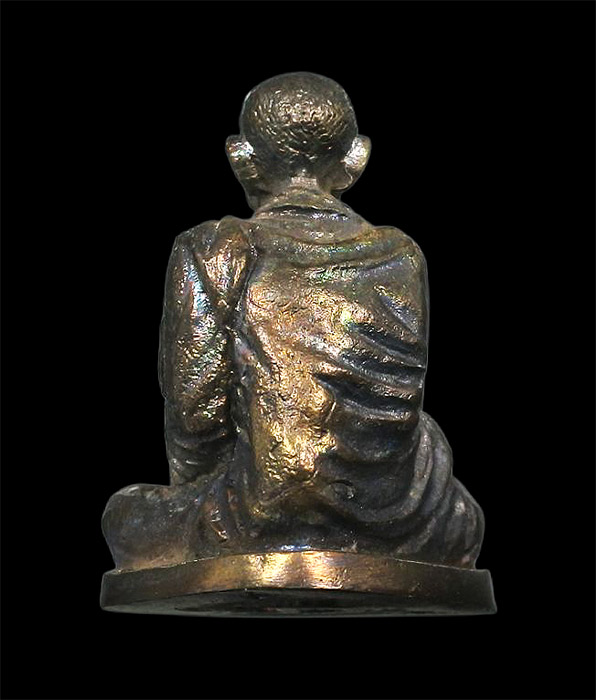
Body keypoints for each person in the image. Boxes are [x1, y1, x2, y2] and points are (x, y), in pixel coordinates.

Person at [103, 72, 484, 572]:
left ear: (240, 156)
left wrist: (207, 496)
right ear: (356, 159)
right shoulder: (402, 253)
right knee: (464, 517)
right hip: (400, 516)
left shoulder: (215, 247)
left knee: (125, 514)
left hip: (259, 508)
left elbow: (196, 415)